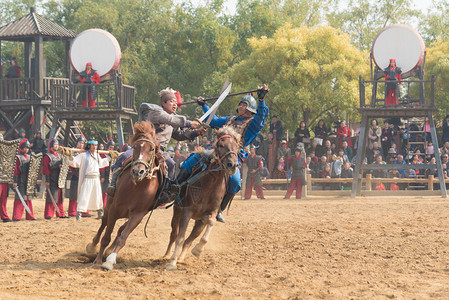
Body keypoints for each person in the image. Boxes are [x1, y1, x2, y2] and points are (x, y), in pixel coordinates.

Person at [178, 85, 270, 223]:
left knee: (235, 183)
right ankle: (176, 187)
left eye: (244, 105)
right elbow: (214, 121)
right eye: (240, 104)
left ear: (250, 109)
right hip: (218, 151)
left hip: (233, 155)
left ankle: (219, 208)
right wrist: (205, 106)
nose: (240, 107)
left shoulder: (253, 124)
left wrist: (261, 100)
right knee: (193, 159)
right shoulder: (230, 119)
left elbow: (262, 116)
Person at [107, 88, 204, 201]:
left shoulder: (172, 122)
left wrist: (196, 132)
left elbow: (180, 135)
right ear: (163, 103)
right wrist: (189, 123)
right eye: (172, 101)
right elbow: (170, 119)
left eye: (176, 103)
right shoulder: (156, 113)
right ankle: (113, 183)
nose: (175, 104)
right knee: (124, 156)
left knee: (171, 164)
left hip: (159, 151)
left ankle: (167, 190)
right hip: (145, 147)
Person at [68, 138, 115, 221]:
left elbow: (102, 163)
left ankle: (100, 212)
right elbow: (74, 162)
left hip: (96, 178)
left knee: (97, 196)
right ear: (89, 146)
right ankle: (79, 213)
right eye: (93, 145)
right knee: (84, 196)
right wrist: (70, 156)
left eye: (96, 145)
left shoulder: (97, 155)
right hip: (87, 179)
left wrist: (110, 157)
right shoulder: (83, 155)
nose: (94, 147)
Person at [43, 139, 68, 219]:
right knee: (51, 197)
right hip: (52, 178)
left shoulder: (60, 156)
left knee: (60, 197)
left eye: (57, 144)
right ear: (51, 146)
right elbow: (46, 169)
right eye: (55, 144)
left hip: (59, 179)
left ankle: (60, 213)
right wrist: (47, 180)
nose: (56, 146)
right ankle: (48, 214)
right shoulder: (47, 156)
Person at [12, 139, 36, 221]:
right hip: (20, 180)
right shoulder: (18, 157)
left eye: (28, 148)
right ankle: (16, 216)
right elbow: (16, 171)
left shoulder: (30, 157)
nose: (26, 150)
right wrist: (15, 181)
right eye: (25, 148)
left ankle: (30, 216)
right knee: (19, 199)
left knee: (28, 198)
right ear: (22, 148)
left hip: (28, 180)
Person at [68, 136, 87, 217]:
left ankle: (84, 211)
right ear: (77, 143)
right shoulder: (74, 152)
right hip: (76, 175)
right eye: (80, 143)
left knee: (84, 194)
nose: (81, 144)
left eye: (82, 143)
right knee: (74, 194)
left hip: (83, 175)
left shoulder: (85, 153)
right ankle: (72, 211)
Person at [0, 133, 12, 222]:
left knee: (4, 198)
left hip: (4, 177)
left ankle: (4, 216)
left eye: (2, 138)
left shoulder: (6, 150)